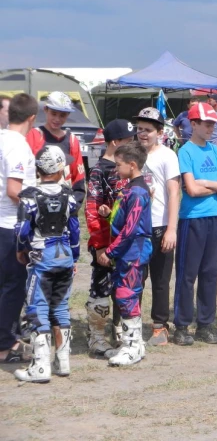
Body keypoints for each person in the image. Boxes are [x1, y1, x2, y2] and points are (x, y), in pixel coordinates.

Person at [14, 146, 80, 383]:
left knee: (37, 307)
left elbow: (22, 229)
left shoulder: (30, 196)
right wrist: (75, 256)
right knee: (60, 306)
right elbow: (74, 229)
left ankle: (40, 367)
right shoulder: (69, 195)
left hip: (42, 256)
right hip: (64, 255)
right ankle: (63, 362)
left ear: (39, 168)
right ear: (60, 168)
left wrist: (21, 249)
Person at [173, 102, 217, 346]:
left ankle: (206, 325)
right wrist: (213, 184)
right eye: (207, 123)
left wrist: (206, 184)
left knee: (210, 273)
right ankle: (181, 325)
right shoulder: (185, 151)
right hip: (191, 219)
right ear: (193, 124)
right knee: (187, 275)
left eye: (214, 123)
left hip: (213, 218)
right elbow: (191, 189)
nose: (212, 128)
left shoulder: (216, 151)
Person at [97, 142, 152, 366]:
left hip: (134, 251)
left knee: (127, 295)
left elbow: (130, 230)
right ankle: (134, 343)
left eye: (118, 165)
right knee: (124, 294)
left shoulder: (138, 191)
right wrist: (109, 214)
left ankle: (131, 347)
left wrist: (110, 252)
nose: (116, 169)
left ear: (132, 165)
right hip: (126, 251)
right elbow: (123, 221)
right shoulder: (130, 187)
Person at [84, 119, 136, 357]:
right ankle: (96, 337)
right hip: (107, 244)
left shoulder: (129, 168)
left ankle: (124, 334)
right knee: (101, 290)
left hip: (127, 242)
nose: (132, 144)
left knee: (126, 289)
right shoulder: (99, 171)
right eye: (128, 140)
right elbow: (92, 210)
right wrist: (99, 245)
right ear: (115, 142)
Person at [133, 107, 181, 346]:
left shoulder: (167, 156)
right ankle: (130, 325)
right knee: (135, 279)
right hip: (135, 227)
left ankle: (160, 327)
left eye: (148, 130)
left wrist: (171, 228)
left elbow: (174, 193)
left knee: (160, 280)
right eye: (139, 129)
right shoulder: (131, 154)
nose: (143, 134)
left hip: (160, 225)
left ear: (159, 132)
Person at [0, 93, 38, 363]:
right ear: (32, 118)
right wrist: (42, 198)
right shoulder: (18, 145)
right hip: (11, 225)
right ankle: (5, 344)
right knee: (13, 286)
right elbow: (14, 189)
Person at [26, 91, 86, 211]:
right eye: (54, 113)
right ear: (46, 110)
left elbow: (78, 178)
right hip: (37, 204)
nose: (57, 119)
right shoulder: (34, 135)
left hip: (64, 204)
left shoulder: (72, 140)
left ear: (68, 115)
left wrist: (73, 207)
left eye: (62, 115)